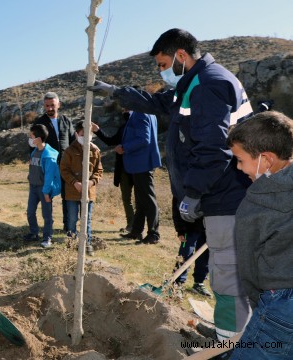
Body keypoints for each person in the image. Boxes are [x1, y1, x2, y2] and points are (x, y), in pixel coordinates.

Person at [88, 28, 253, 341]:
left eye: (163, 64)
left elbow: (213, 149)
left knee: (228, 270)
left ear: (181, 56)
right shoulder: (193, 84)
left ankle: (230, 341)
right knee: (223, 266)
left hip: (225, 193)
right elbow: (158, 103)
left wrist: (193, 193)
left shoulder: (209, 85)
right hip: (218, 192)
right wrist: (114, 91)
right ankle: (227, 330)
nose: (161, 71)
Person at [226, 111, 293, 359]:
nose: (238, 167)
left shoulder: (255, 204)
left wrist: (260, 307)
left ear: (265, 159)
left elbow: (249, 266)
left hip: (281, 306)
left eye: (240, 160)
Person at [115, 107, 161, 244]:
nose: (122, 106)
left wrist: (124, 147)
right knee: (141, 199)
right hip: (141, 163)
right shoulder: (147, 112)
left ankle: (153, 234)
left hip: (142, 163)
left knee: (148, 198)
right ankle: (136, 231)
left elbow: (144, 139)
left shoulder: (140, 114)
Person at [32, 92, 75, 233]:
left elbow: (74, 140)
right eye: (47, 106)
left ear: (59, 105)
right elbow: (32, 144)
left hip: (66, 165)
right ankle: (48, 228)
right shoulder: (39, 123)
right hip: (48, 166)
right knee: (47, 196)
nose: (50, 108)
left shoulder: (66, 121)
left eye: (53, 105)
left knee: (67, 196)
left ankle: (67, 226)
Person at [59, 120, 103, 255]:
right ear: (77, 134)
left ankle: (87, 243)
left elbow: (99, 171)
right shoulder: (69, 151)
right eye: (83, 133)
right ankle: (71, 242)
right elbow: (64, 169)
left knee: (86, 219)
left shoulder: (95, 150)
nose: (86, 136)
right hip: (72, 192)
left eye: (89, 133)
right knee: (72, 218)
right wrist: (74, 183)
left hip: (89, 192)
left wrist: (91, 182)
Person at [92, 113, 134, 233]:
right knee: (127, 198)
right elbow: (111, 141)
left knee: (141, 199)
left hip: (138, 167)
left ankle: (140, 227)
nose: (125, 110)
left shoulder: (140, 124)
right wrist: (97, 130)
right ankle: (131, 225)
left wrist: (125, 148)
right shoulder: (123, 127)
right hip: (124, 169)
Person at [23, 124, 61, 248]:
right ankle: (34, 233)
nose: (30, 139)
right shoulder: (34, 152)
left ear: (38, 138)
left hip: (44, 189)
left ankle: (47, 238)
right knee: (30, 212)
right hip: (33, 188)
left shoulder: (49, 156)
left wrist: (46, 192)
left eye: (31, 136)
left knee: (47, 215)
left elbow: (49, 176)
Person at [170, 196, 211, 297]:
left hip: (209, 224)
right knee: (185, 252)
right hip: (190, 225)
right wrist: (180, 229)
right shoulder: (186, 182)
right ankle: (178, 283)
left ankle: (199, 282)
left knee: (205, 254)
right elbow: (177, 204)